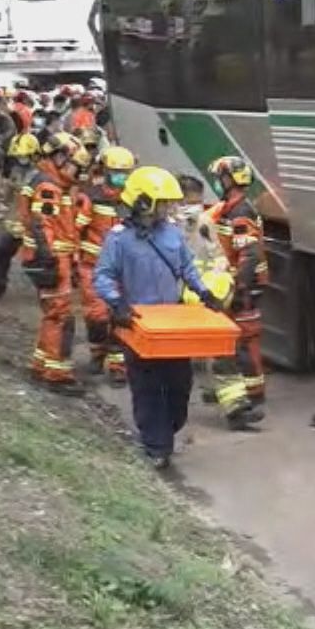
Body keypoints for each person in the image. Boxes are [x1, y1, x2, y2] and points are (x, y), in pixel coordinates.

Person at [93, 166, 218, 469]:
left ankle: (168, 429)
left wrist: (204, 292)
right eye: (162, 203)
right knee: (147, 387)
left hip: (172, 323)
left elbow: (187, 268)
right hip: (139, 324)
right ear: (142, 202)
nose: (168, 208)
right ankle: (156, 445)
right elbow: (103, 276)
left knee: (179, 383)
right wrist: (117, 304)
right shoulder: (119, 239)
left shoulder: (172, 234)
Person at [19, 132, 89, 393]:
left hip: (55, 258)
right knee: (60, 316)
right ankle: (56, 374)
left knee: (53, 314)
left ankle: (41, 365)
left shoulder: (56, 185)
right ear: (60, 158)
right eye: (75, 167)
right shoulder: (49, 188)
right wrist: (51, 260)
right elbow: (43, 226)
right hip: (51, 260)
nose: (78, 174)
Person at [205, 157, 269, 411]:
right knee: (236, 337)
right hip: (239, 282)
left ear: (229, 180)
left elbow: (249, 254)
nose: (217, 183)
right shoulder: (231, 208)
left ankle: (252, 391)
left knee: (244, 339)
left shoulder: (241, 213)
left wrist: (239, 287)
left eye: (220, 178)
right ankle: (240, 388)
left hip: (245, 285)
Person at [77, 145, 137, 385]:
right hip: (93, 267)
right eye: (116, 171)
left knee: (120, 316)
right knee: (97, 316)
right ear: (105, 170)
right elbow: (76, 229)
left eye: (125, 172)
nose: (121, 176)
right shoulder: (92, 197)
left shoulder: (134, 200)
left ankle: (118, 366)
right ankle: (96, 354)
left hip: (124, 270)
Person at [0, 132, 41, 299]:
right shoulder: (16, 170)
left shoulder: (41, 173)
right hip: (19, 221)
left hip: (36, 222)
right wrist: (9, 188)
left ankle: (51, 291)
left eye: (24, 156)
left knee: (40, 259)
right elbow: (9, 197)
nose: (21, 159)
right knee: (3, 249)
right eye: (18, 156)